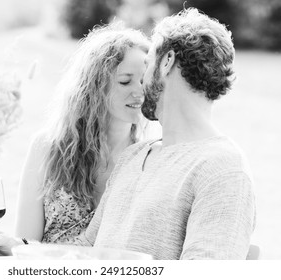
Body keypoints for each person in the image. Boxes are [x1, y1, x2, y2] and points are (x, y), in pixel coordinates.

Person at [72, 8, 256, 259]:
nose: (141, 84)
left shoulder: (222, 170)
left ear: (167, 61)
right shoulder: (133, 156)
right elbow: (85, 251)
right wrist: (20, 250)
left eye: (147, 65)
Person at [0, 23, 151, 255]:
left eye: (145, 80)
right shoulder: (48, 147)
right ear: (95, 86)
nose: (139, 91)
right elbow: (23, 246)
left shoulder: (150, 158)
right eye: (125, 81)